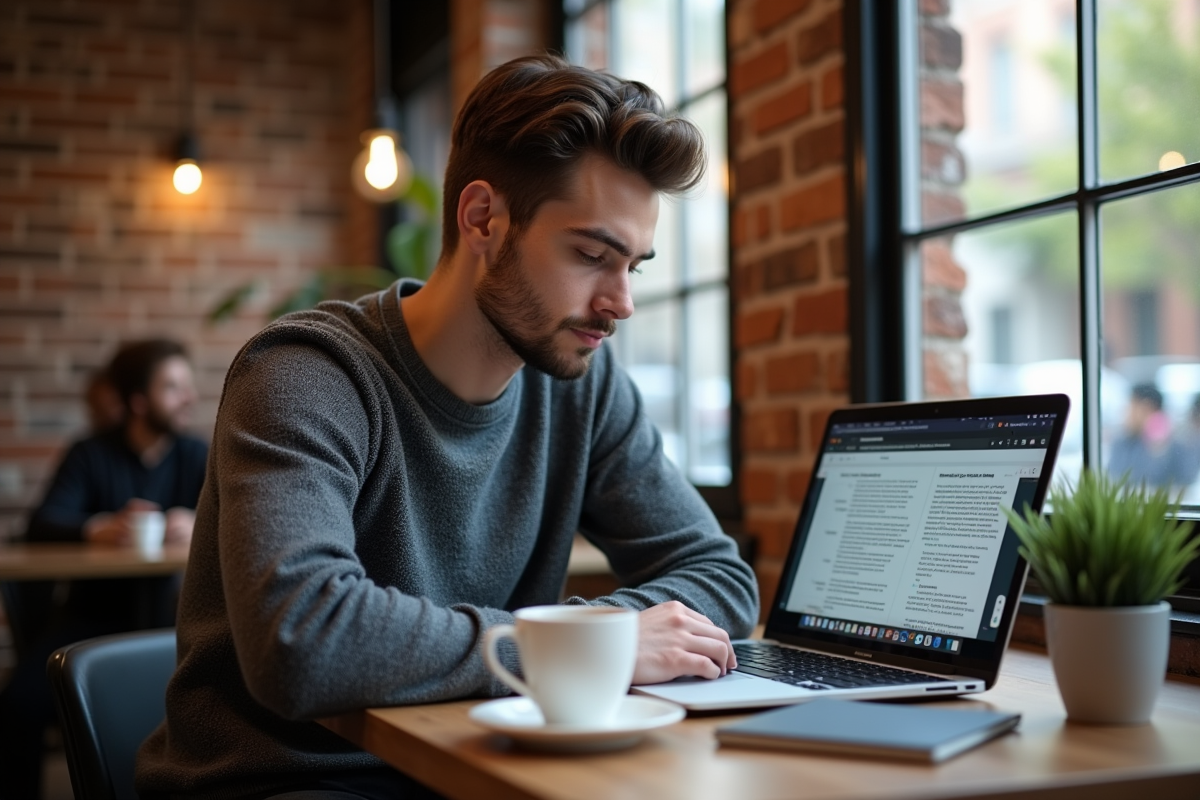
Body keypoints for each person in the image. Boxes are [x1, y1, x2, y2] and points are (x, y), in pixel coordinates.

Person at [136, 55, 758, 799]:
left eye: (635, 266)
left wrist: (582, 641)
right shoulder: (307, 374)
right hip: (286, 781)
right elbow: (301, 641)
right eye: (592, 255)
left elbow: (720, 578)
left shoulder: (584, 390)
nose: (621, 302)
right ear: (482, 219)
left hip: (482, 767)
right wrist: (599, 642)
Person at [0, 338, 207, 799]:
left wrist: (198, 520)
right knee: (18, 704)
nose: (189, 397)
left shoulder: (197, 455)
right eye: (174, 387)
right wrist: (99, 528)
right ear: (138, 401)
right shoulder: (89, 454)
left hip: (169, 623)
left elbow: (241, 516)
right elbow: (41, 524)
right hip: (87, 623)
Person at [1107, 382, 1190, 490]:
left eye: (1132, 406)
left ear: (1147, 409)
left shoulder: (1176, 446)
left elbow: (1183, 481)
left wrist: (1157, 446)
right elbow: (1117, 478)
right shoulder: (1121, 443)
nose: (1126, 412)